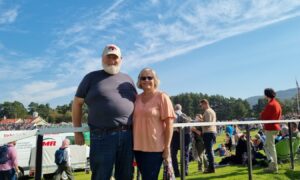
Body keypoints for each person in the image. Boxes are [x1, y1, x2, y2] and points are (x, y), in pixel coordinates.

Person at [72, 44, 137, 180]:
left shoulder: (128, 79)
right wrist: (77, 131)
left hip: (127, 136)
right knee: (101, 176)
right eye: (108, 57)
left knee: (126, 176)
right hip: (102, 136)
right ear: (102, 58)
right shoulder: (90, 78)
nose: (112, 60)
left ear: (121, 59)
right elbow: (77, 104)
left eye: (115, 57)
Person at [133, 68, 175, 180]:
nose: (146, 80)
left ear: (155, 80)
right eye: (143, 78)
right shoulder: (136, 98)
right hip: (138, 148)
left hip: (155, 149)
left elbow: (169, 124)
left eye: (149, 77)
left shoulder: (162, 97)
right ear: (139, 81)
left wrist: (166, 148)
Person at [260, 88, 282, 173]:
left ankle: (274, 167)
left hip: (270, 128)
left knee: (271, 148)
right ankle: (272, 163)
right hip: (274, 128)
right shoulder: (277, 104)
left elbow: (263, 116)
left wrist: (262, 113)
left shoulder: (271, 104)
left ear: (266, 95)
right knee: (266, 146)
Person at [171, 104, 191, 177]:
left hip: (175, 135)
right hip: (186, 135)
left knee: (173, 155)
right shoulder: (184, 115)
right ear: (181, 108)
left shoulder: (173, 114)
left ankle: (176, 172)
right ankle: (185, 171)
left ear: (174, 108)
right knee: (185, 154)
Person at [199, 99, 217, 173]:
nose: (201, 107)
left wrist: (200, 121)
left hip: (208, 133)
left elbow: (208, 123)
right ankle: (211, 167)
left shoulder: (207, 111)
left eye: (201, 105)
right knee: (210, 151)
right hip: (211, 132)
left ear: (205, 103)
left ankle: (211, 168)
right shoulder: (212, 111)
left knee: (209, 151)